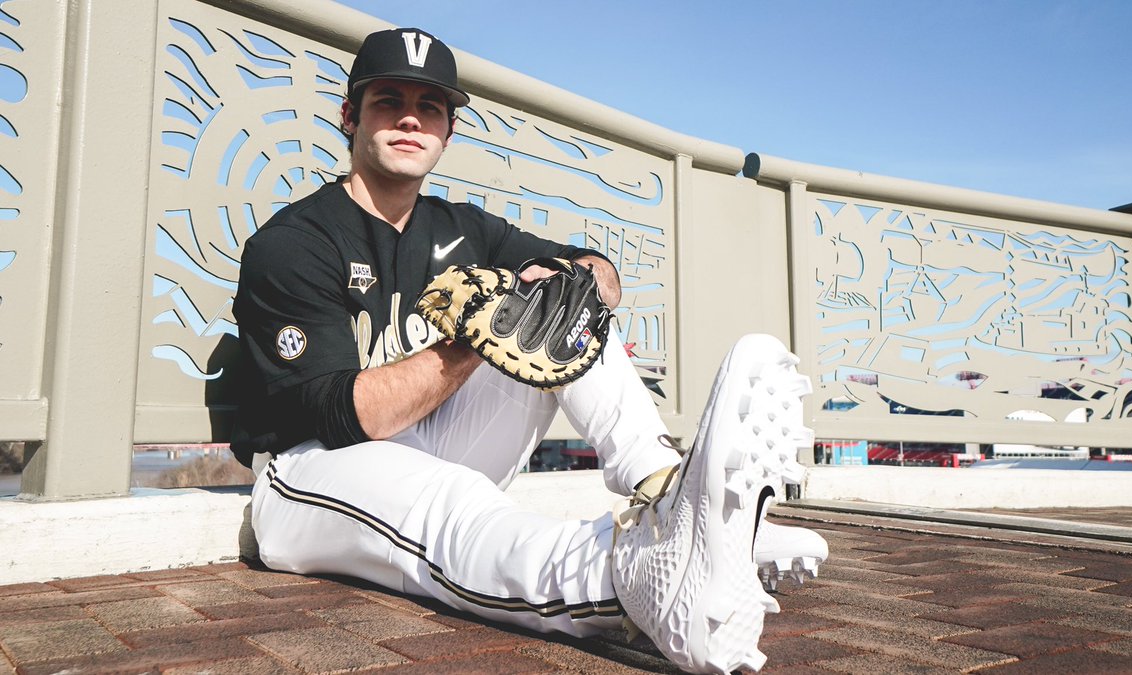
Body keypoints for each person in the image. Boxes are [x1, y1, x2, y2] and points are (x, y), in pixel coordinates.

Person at [231, 27, 827, 674]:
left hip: (426, 441)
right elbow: (347, 418)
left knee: (571, 314)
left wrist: (575, 282)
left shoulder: (462, 228)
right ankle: (629, 576)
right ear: (349, 116)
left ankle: (664, 495)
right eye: (387, 100)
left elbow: (598, 275)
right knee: (450, 505)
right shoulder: (294, 244)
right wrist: (474, 339)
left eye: (430, 106)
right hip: (309, 472)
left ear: (448, 131)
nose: (410, 117)